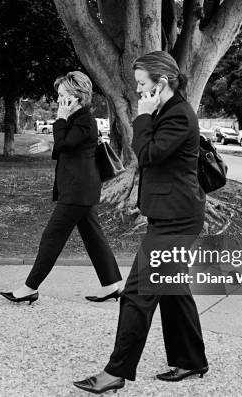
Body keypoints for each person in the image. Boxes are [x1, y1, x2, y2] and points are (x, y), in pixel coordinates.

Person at [73, 51, 208, 394]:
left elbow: (146, 155)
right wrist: (148, 114)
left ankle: (115, 372)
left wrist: (142, 117)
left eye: (142, 84)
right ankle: (191, 360)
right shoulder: (167, 110)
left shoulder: (177, 115)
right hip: (172, 214)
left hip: (177, 220)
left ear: (162, 83)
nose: (137, 91)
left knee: (136, 293)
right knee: (174, 290)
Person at [0, 71, 122, 304]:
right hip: (80, 189)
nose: (58, 100)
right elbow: (70, 146)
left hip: (78, 190)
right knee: (94, 238)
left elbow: (67, 142)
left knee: (52, 237)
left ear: (77, 96)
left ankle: (29, 288)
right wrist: (50, 144)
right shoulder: (79, 120)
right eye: (58, 95)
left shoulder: (84, 120)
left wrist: (60, 118)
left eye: (63, 95)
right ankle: (111, 285)